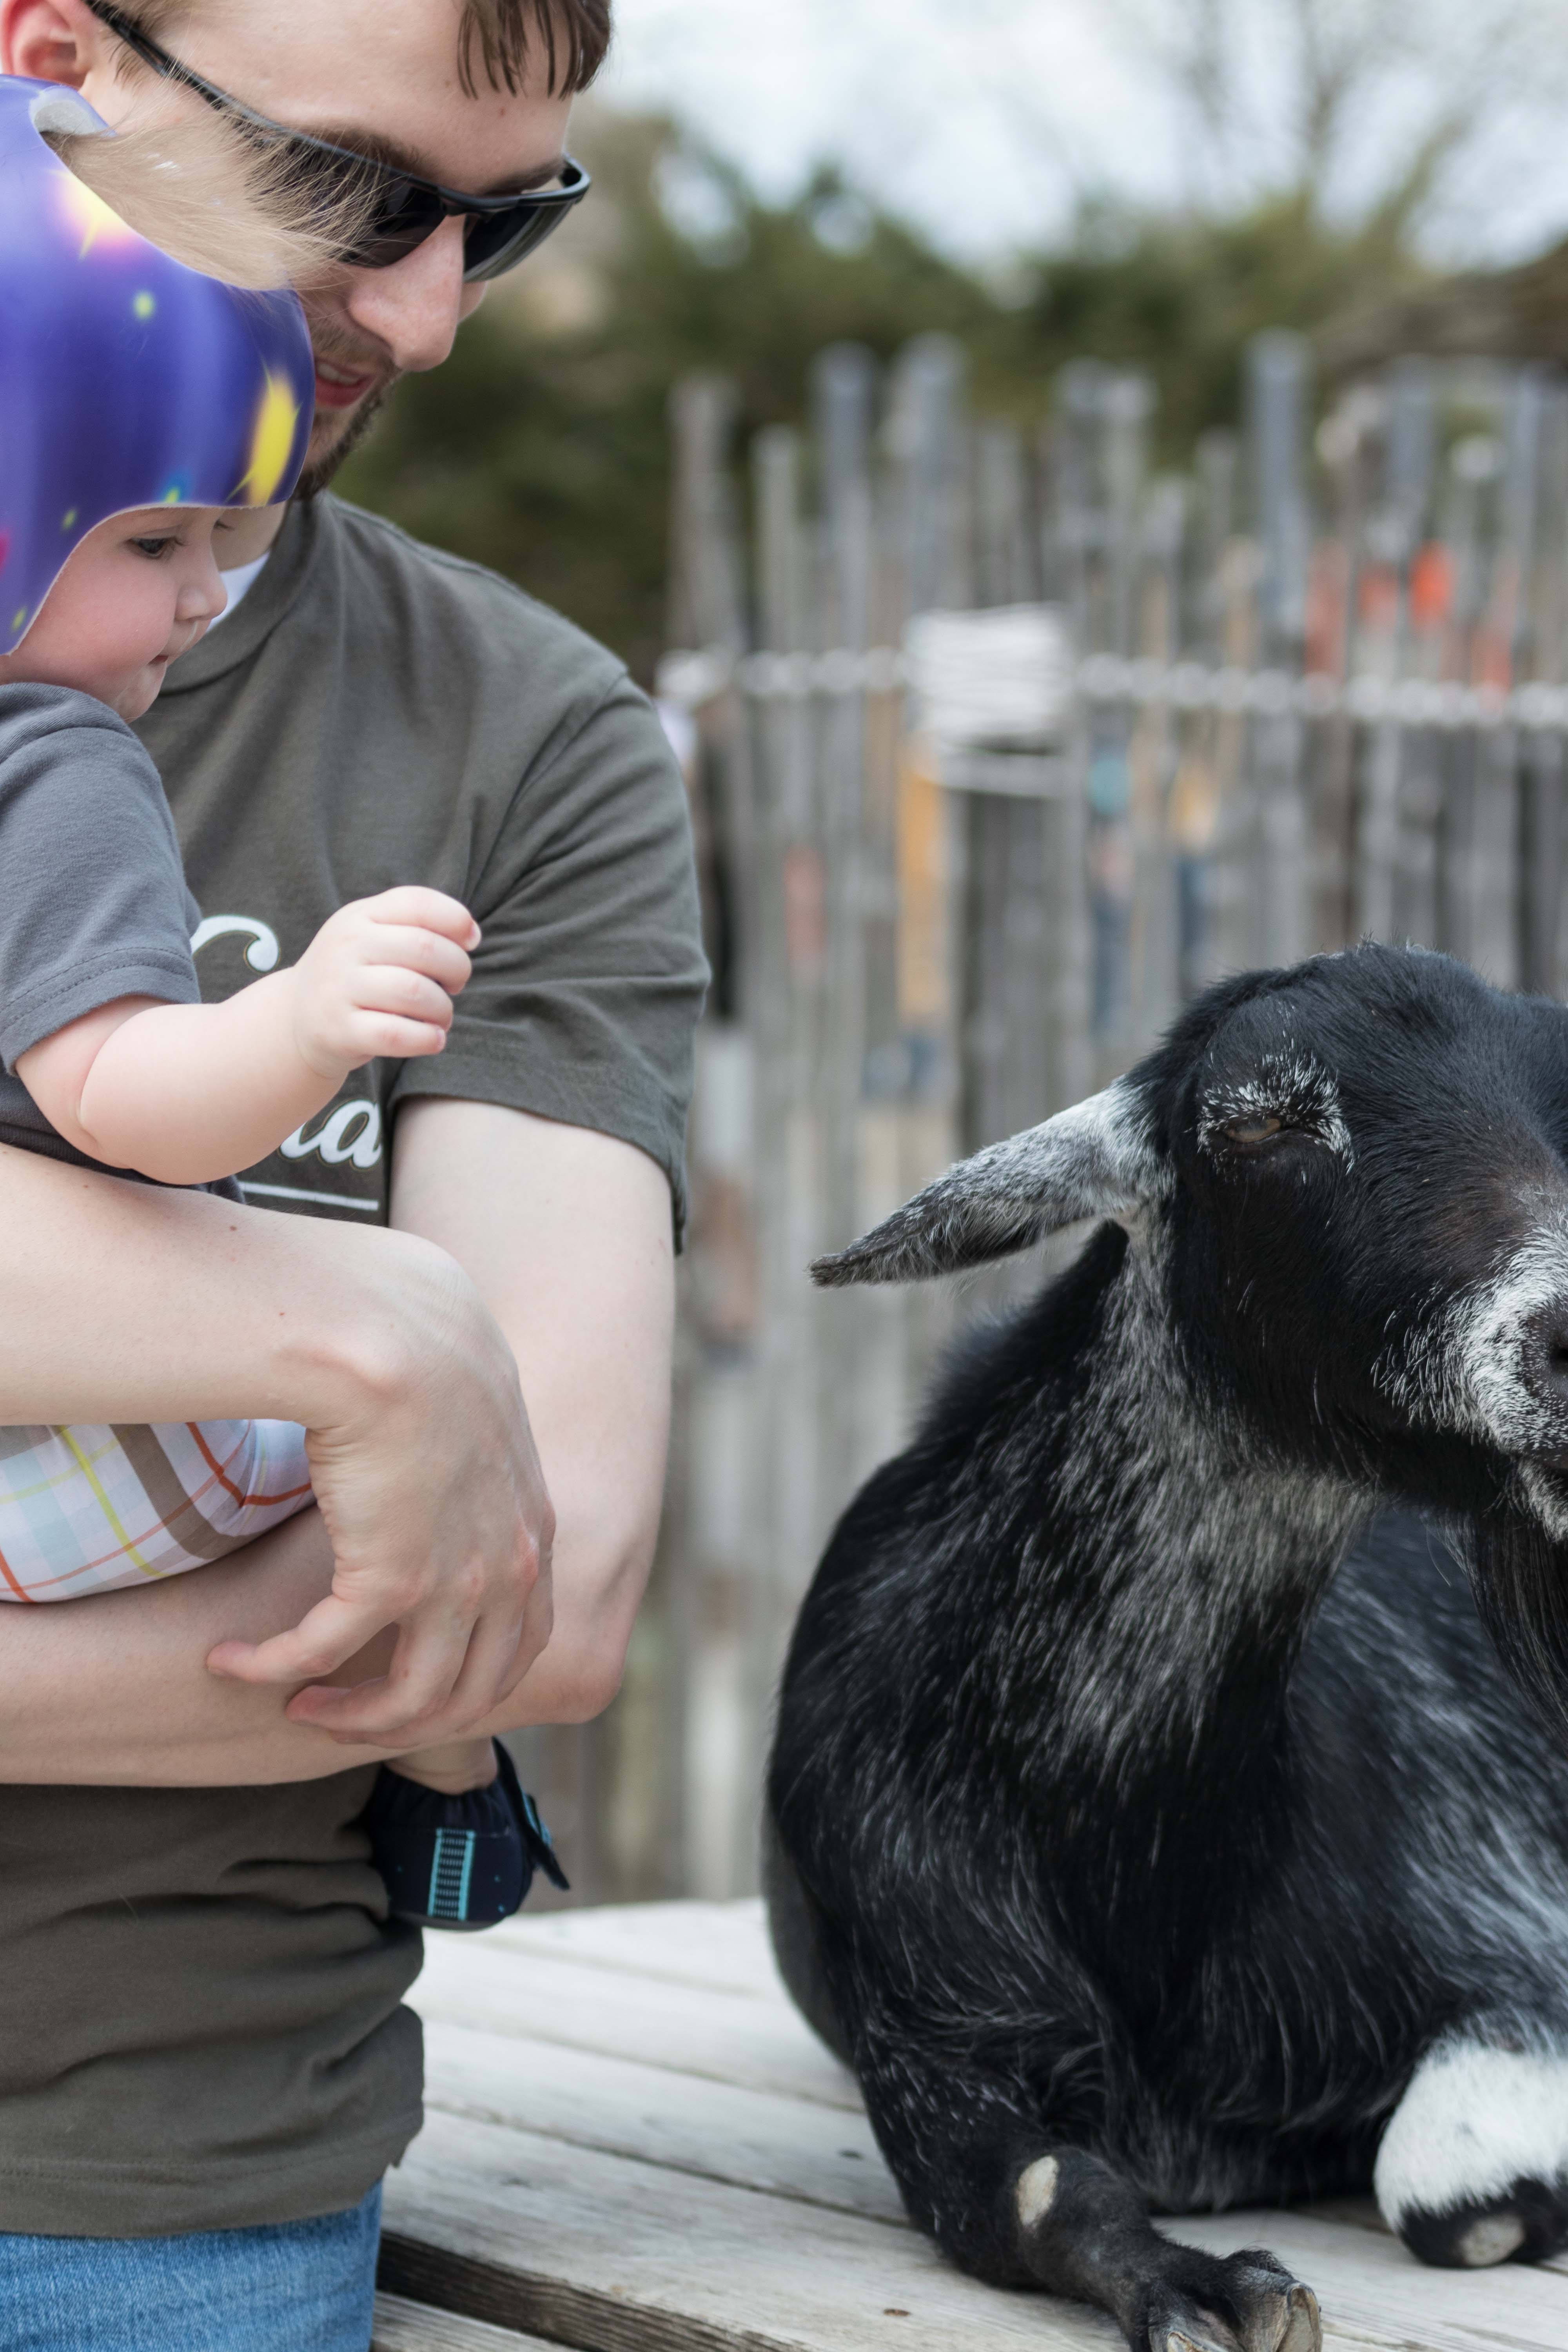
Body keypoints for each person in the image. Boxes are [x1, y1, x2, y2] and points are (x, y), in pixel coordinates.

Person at [0, 0, 705, 2345]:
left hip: (144, 2180)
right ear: (53, 58)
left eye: (504, 222)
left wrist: (449, 1506)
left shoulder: (525, 735)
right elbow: (391, 1557)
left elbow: (544, 1596)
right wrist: (354, 1340)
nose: (420, 310)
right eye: (358, 191)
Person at [0, 73, 567, 1931]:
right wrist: (307, 1020)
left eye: (222, 547)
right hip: (99, 1451)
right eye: (155, 544)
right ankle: (446, 1767)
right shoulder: (57, 765)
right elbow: (134, 1098)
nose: (197, 602)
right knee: (348, 1499)